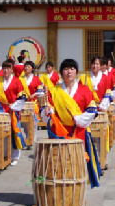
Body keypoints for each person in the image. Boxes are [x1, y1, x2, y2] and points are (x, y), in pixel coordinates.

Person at [42, 58, 101, 188]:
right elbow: (49, 109)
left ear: (76, 72)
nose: (69, 72)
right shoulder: (54, 91)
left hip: (78, 131)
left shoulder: (84, 90)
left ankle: (77, 190)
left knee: (77, 161)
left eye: (72, 69)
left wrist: (79, 119)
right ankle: (60, 190)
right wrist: (47, 111)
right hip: (59, 132)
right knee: (60, 162)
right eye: (66, 69)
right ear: (61, 72)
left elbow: (92, 110)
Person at [0, 59, 26, 166]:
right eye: (4, 68)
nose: (6, 70)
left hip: (13, 109)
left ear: (12, 69)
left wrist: (13, 106)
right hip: (0, 109)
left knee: (14, 132)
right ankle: (3, 154)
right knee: (0, 131)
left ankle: (14, 156)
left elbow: (22, 97)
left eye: (8, 68)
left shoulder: (17, 81)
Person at [20, 61, 45, 143]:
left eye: (28, 66)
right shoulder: (20, 79)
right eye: (25, 66)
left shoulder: (36, 79)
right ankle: (28, 137)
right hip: (23, 103)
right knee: (24, 122)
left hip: (33, 103)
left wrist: (34, 95)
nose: (26, 68)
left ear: (32, 69)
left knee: (33, 122)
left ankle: (32, 140)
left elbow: (41, 91)